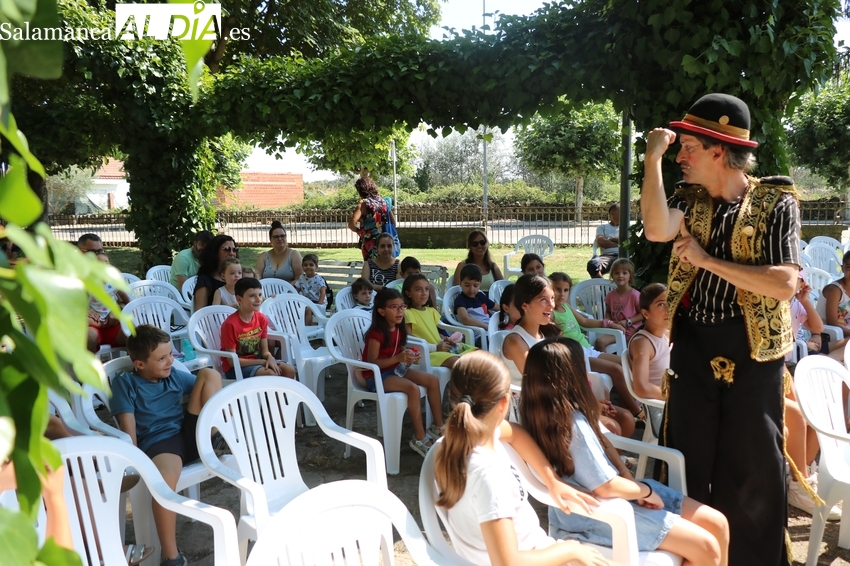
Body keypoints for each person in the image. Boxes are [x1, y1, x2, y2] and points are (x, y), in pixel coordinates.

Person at [641, 93, 800, 563]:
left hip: (755, 354)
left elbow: (784, 283)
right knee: (689, 457)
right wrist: (652, 159)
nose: (681, 156)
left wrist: (709, 261)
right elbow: (655, 228)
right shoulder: (688, 199)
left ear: (717, 150)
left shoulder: (775, 203)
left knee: (753, 468)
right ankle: (695, 556)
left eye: (688, 146)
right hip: (693, 346)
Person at [520, 337, 730, 564]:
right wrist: (644, 492)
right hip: (597, 515)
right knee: (706, 546)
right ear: (571, 375)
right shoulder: (571, 425)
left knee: (717, 523)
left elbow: (602, 443)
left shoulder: (543, 413)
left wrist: (627, 475)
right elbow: (606, 487)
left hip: (618, 495)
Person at [433, 350, 606, 566]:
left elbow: (514, 433)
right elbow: (508, 562)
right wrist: (570, 550)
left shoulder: (467, 440)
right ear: (504, 403)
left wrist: (551, 479)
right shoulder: (488, 475)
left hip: (539, 551)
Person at [110, 325, 225, 566]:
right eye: (161, 358)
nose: (170, 361)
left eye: (171, 355)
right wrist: (134, 460)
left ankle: (215, 435)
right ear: (140, 364)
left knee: (210, 375)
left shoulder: (173, 375)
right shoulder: (126, 383)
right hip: (160, 443)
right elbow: (128, 428)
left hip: (188, 431)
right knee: (165, 482)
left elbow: (207, 390)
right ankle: (171, 555)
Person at [505, 275, 633, 437]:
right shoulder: (515, 341)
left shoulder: (547, 333)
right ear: (525, 305)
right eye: (543, 300)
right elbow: (542, 384)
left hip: (560, 398)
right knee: (613, 427)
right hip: (538, 407)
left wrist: (589, 400)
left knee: (626, 419)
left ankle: (608, 461)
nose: (552, 305)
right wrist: (585, 404)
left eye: (552, 298)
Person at [549, 272, 639, 428]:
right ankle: (638, 412)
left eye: (566, 290)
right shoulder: (551, 314)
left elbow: (584, 321)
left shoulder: (566, 307)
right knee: (617, 369)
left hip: (587, 349)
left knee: (627, 362)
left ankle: (627, 408)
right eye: (557, 289)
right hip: (576, 355)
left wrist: (608, 323)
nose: (562, 294)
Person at [362, 288, 444, 456]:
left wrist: (409, 354)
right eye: (394, 307)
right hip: (376, 376)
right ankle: (419, 438)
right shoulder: (376, 334)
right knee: (412, 388)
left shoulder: (398, 329)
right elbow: (372, 364)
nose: (400, 311)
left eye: (402, 306)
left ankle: (438, 426)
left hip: (394, 369)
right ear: (381, 311)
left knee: (432, 380)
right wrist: (399, 358)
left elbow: (398, 349)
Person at [220, 278, 296, 380]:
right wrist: (262, 362)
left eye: (260, 295)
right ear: (239, 299)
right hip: (236, 368)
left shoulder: (261, 319)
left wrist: (270, 357)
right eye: (252, 296)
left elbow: (265, 351)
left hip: (257, 362)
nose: (258, 299)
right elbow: (232, 361)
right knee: (271, 374)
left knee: (289, 370)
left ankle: (282, 396)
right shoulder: (230, 324)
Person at [404, 274, 473, 371]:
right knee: (460, 363)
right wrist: (435, 347)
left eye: (426, 289)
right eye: (418, 289)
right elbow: (409, 341)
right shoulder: (408, 313)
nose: (424, 293)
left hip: (440, 348)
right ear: (408, 293)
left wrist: (444, 339)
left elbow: (433, 333)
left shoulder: (430, 311)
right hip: (426, 354)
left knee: (477, 354)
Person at [627, 283, 670, 438]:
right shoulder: (643, 343)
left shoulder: (666, 334)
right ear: (645, 313)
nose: (669, 308)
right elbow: (641, 387)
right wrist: (677, 395)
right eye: (661, 304)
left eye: (670, 301)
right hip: (661, 412)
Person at [86, 251, 130, 353]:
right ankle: (93, 367)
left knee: (135, 333)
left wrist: (125, 307)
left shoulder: (113, 281)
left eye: (107, 262)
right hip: (95, 321)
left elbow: (123, 296)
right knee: (89, 336)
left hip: (113, 321)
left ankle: (133, 366)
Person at [595, 258, 643, 353]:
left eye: (624, 273)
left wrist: (628, 321)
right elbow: (608, 312)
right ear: (612, 275)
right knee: (599, 343)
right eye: (617, 273)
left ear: (630, 276)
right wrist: (610, 322)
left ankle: (621, 365)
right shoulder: (610, 295)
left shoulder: (635, 295)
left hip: (632, 332)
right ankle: (608, 365)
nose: (620, 276)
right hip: (616, 330)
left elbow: (642, 314)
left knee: (633, 351)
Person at [348, 177, 393, 260]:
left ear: (361, 189)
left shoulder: (364, 203)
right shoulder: (383, 202)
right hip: (384, 242)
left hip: (370, 243)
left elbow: (351, 224)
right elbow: (393, 222)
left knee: (371, 268)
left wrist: (360, 229)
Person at [193, 234, 238, 311]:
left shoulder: (238, 275)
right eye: (227, 249)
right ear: (215, 253)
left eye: (234, 250)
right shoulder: (205, 279)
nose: (232, 253)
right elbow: (200, 312)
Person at [453, 264, 500, 336]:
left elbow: (495, 306)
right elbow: (465, 319)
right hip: (477, 334)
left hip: (490, 330)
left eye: (475, 286)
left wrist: (509, 310)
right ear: (460, 283)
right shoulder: (460, 300)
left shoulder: (480, 296)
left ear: (480, 284)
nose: (471, 289)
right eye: (467, 285)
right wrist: (486, 327)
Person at [255, 221, 302, 286]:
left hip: (289, 292)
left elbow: (300, 279)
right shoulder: (263, 256)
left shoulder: (294, 255)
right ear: (270, 240)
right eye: (276, 237)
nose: (280, 239)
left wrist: (286, 288)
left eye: (282, 236)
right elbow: (257, 278)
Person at [818, 250, 850, 338]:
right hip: (830, 337)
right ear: (842, 268)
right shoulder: (834, 290)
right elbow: (832, 324)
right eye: (848, 267)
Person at [587, 203, 620, 279]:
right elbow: (601, 242)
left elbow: (630, 242)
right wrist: (620, 242)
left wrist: (611, 240)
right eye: (621, 211)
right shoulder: (602, 228)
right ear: (612, 213)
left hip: (626, 256)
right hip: (607, 256)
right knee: (593, 266)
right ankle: (603, 289)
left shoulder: (628, 227)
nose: (626, 213)